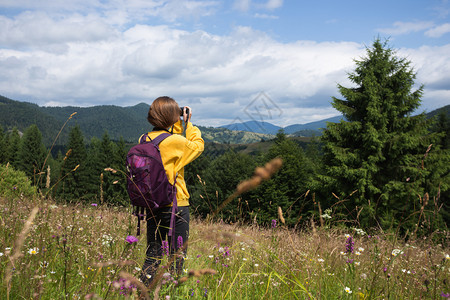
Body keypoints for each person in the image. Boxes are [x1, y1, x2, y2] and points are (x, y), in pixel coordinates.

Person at [139, 96, 204, 286]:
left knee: (153, 254)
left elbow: (163, 137)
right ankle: (173, 292)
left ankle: (143, 294)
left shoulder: (143, 139)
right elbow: (198, 146)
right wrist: (188, 124)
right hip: (176, 205)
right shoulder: (176, 141)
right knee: (177, 256)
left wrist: (174, 122)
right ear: (172, 117)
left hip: (152, 204)